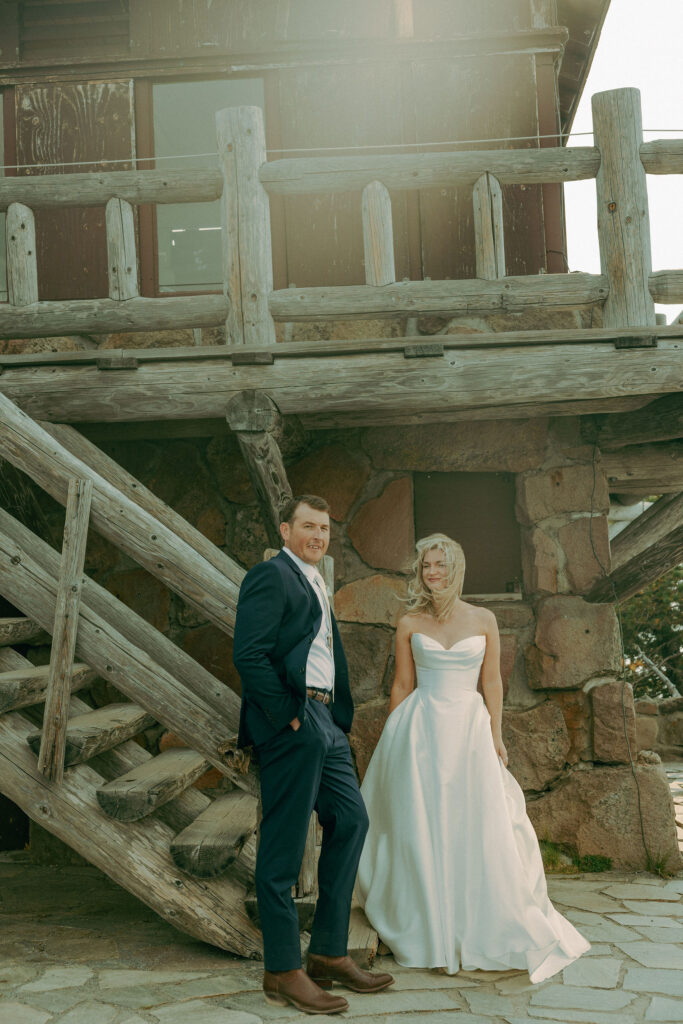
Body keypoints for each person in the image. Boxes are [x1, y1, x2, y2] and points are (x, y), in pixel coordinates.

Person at [356, 533, 590, 983]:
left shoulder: (484, 619)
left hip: (469, 730)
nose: (433, 573)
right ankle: (426, 924)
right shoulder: (409, 622)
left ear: (456, 568)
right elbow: (402, 685)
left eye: (440, 564)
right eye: (426, 566)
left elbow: (493, 682)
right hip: (421, 730)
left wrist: (496, 734)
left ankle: (476, 921)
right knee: (419, 824)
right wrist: (391, 736)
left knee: (476, 821)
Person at [233, 494, 394, 1014]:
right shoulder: (271, 576)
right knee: (282, 849)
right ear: (285, 530)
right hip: (294, 721)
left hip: (326, 721)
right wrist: (289, 715)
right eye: (307, 526)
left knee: (351, 820)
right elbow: (249, 654)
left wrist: (331, 720)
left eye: (323, 528)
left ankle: (326, 952)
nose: (317, 536)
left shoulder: (316, 579)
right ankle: (282, 970)